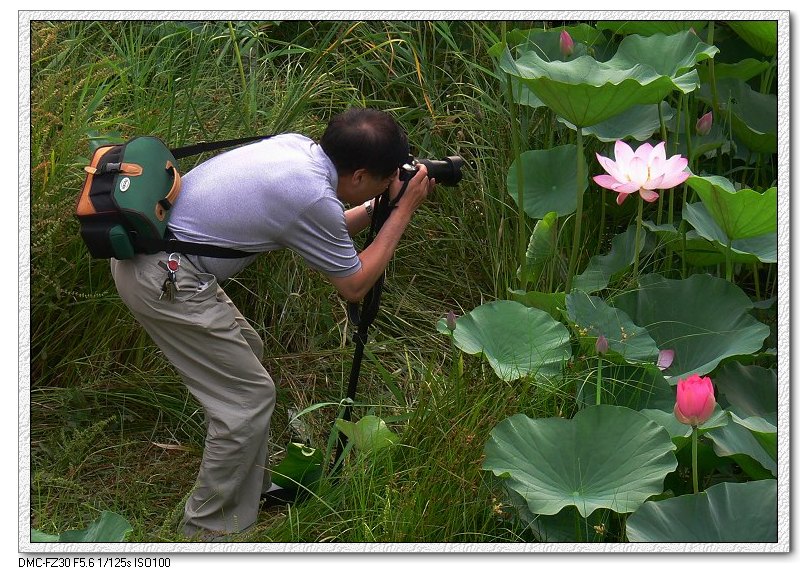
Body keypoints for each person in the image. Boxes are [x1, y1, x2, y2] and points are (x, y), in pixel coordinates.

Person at [110, 108, 435, 540]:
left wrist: (380, 204)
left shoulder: (298, 148)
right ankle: (209, 533)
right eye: (387, 175)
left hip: (160, 261)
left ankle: (250, 490)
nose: (393, 179)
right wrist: (402, 213)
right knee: (246, 401)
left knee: (249, 352)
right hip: (166, 279)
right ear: (357, 175)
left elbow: (324, 227)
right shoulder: (311, 196)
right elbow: (355, 284)